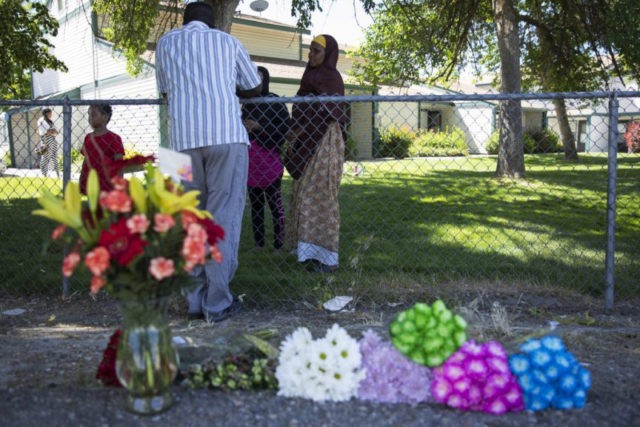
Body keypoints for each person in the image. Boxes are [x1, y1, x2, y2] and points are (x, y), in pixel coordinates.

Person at [155, 2, 261, 322]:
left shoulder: (165, 44)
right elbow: (254, 86)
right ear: (213, 22)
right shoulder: (227, 42)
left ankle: (193, 301)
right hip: (225, 137)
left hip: (179, 144)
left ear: (184, 21)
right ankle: (217, 303)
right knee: (222, 218)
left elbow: (164, 92)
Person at [284, 34, 347, 273]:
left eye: (316, 51)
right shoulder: (309, 76)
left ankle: (326, 258)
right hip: (305, 141)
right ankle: (308, 253)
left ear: (328, 54)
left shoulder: (332, 78)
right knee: (302, 194)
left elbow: (327, 112)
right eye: (309, 51)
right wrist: (296, 130)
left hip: (325, 141)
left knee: (320, 195)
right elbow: (302, 108)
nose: (310, 55)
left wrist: (301, 129)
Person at [242, 66, 291, 250]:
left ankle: (279, 244)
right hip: (252, 165)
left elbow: (284, 128)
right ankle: (259, 244)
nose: (256, 82)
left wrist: (259, 127)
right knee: (256, 207)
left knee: (275, 206)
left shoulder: (275, 101)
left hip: (271, 164)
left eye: (260, 79)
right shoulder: (247, 103)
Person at [79, 104, 125, 195]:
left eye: (94, 114)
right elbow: (86, 160)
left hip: (106, 183)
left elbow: (119, 164)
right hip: (90, 182)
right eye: (89, 115)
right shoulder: (88, 137)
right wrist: (81, 179)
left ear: (105, 117)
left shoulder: (114, 138)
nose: (90, 118)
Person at [37, 108, 59, 177]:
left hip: (53, 140)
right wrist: (52, 131)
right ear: (46, 113)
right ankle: (44, 173)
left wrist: (51, 131)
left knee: (54, 157)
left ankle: (57, 173)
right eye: (50, 113)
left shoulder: (50, 121)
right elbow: (47, 131)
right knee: (46, 157)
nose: (51, 115)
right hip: (46, 141)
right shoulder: (41, 120)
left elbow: (56, 132)